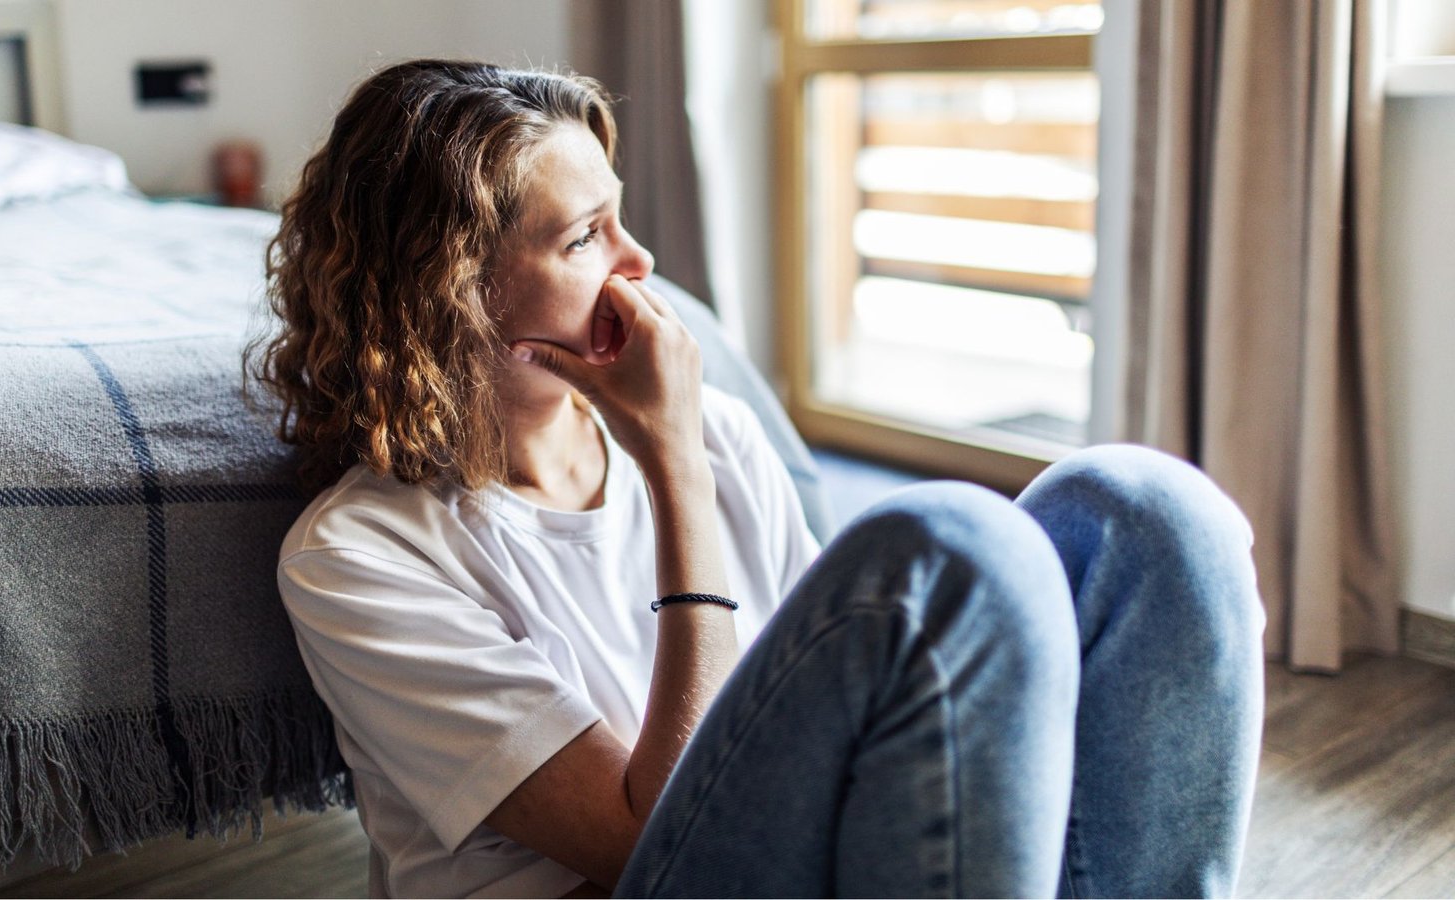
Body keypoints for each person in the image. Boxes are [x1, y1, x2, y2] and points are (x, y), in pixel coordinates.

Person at [248, 59, 1265, 899]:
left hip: (807, 851)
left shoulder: (719, 428)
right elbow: (641, 842)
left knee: (1144, 511)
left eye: (619, 218)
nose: (639, 261)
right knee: (953, 547)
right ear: (452, 294)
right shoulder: (358, 556)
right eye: (584, 236)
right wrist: (674, 468)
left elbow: (839, 701)